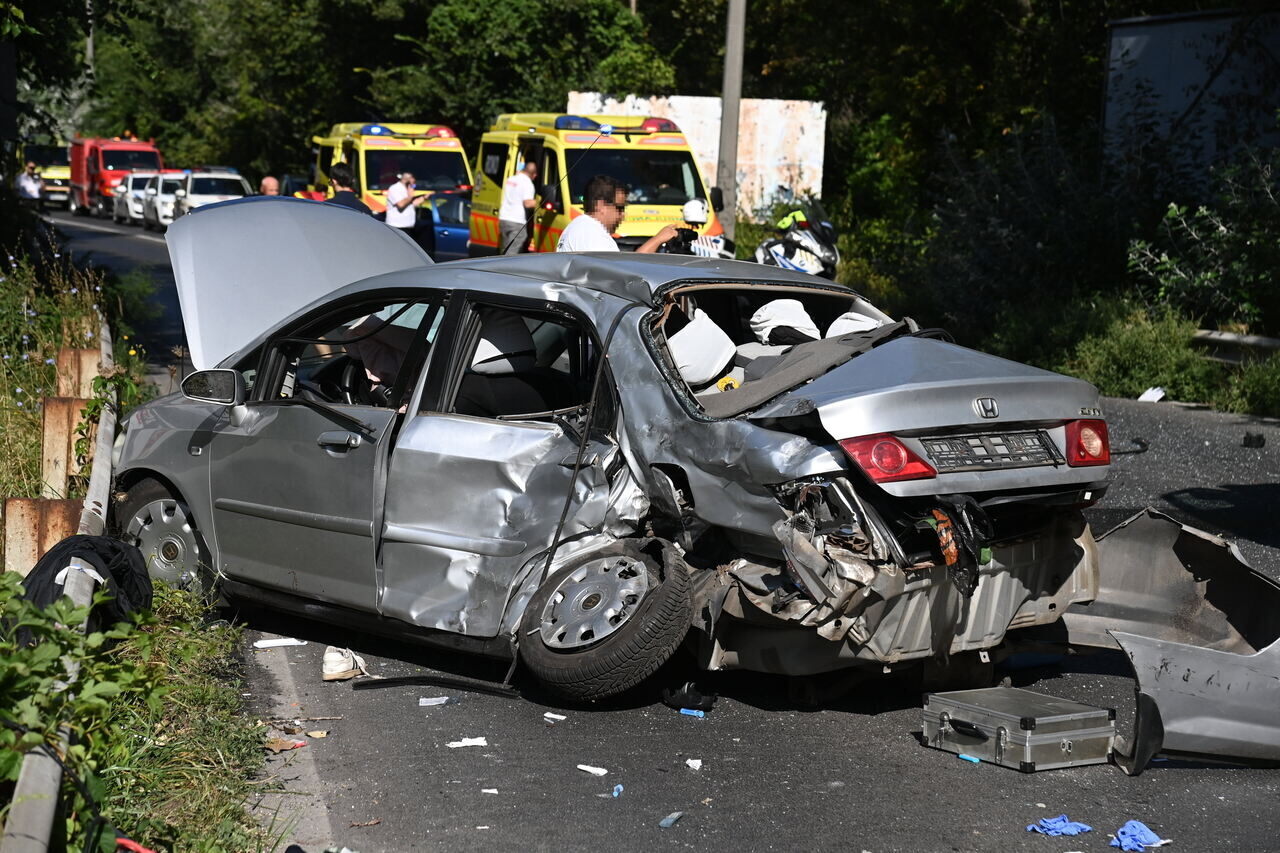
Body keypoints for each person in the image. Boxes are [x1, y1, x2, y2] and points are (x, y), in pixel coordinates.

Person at [556, 174, 678, 253]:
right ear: (600, 206)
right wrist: (658, 240)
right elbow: (626, 273)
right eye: (620, 208)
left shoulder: (582, 226)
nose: (622, 215)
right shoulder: (592, 234)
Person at [498, 160, 538, 255]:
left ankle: (501, 262)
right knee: (512, 250)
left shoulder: (511, 179)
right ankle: (507, 264)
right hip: (516, 221)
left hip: (504, 218)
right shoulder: (528, 183)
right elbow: (527, 203)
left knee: (505, 247)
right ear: (534, 175)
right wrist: (540, 202)